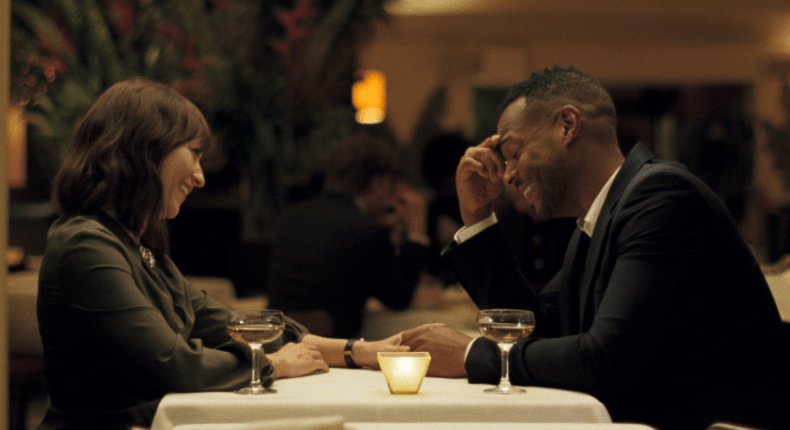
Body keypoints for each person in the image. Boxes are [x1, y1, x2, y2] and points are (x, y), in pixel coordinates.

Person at [400, 66, 790, 430]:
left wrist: (472, 353)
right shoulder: (601, 219)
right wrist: (477, 219)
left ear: (567, 125)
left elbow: (606, 361)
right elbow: (538, 327)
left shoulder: (663, 197)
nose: (508, 175)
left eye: (515, 153)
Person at [36, 78, 407, 430]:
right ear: (146, 148)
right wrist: (270, 365)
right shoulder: (86, 245)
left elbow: (235, 325)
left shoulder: (139, 247)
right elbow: (175, 363)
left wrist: (357, 351)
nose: (200, 177)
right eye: (194, 153)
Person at [266, 135, 431, 338]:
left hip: (280, 341)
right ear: (377, 182)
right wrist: (416, 235)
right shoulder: (367, 231)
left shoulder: (290, 217)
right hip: (334, 347)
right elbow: (399, 299)